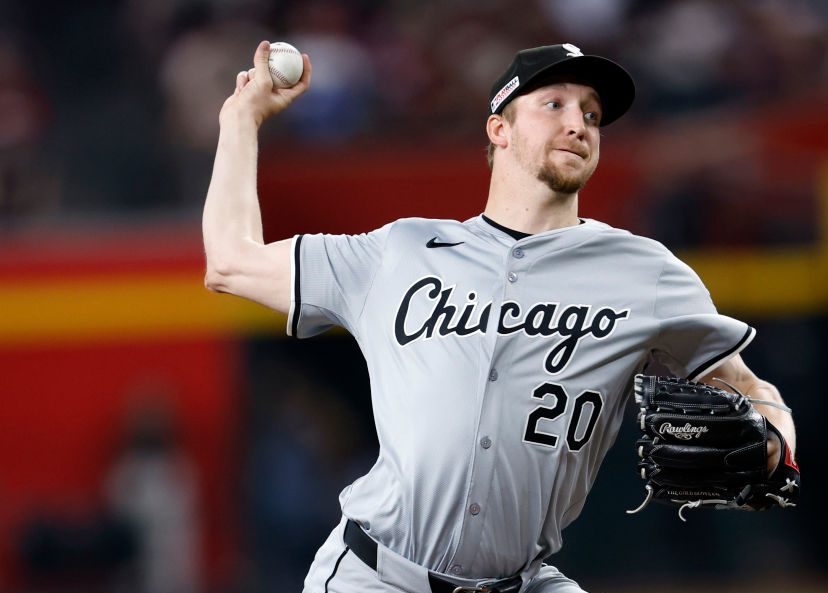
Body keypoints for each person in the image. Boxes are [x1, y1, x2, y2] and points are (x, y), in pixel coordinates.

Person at [203, 40, 797, 593]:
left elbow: (745, 385)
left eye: (591, 113)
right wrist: (240, 119)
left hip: (522, 580)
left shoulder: (646, 272)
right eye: (554, 104)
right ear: (500, 128)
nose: (578, 123)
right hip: (376, 575)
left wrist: (774, 438)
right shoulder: (399, 252)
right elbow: (230, 263)